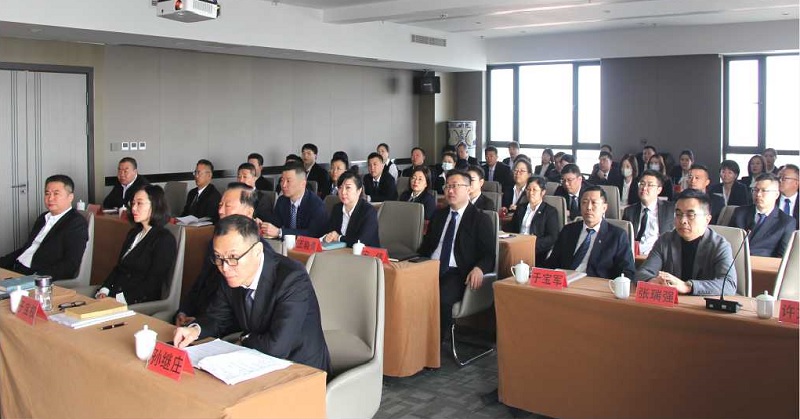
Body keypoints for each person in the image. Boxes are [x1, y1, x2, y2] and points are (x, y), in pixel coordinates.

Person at [173, 215, 331, 374]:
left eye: (233, 257)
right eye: (218, 257)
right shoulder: (230, 271)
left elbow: (277, 347)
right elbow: (217, 318)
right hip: (256, 361)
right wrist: (195, 330)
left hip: (300, 367)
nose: (225, 268)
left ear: (257, 251)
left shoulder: (292, 278)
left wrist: (244, 338)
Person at [417, 170, 495, 338]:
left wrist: (479, 269)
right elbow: (426, 247)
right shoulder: (439, 215)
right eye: (447, 186)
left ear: (468, 189)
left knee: (440, 297)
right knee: (404, 288)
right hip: (429, 267)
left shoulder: (480, 219)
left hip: (457, 273)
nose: (450, 191)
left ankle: (434, 344)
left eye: (455, 186)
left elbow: (489, 255)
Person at [175, 183, 265, 326]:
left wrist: (201, 323)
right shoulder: (216, 242)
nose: (221, 211)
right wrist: (184, 311)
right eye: (220, 205)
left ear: (249, 212)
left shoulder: (256, 252)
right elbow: (201, 280)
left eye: (228, 206)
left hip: (219, 324)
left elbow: (243, 308)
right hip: (199, 317)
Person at [635, 189, 737, 296]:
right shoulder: (665, 240)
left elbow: (729, 285)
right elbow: (642, 273)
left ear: (707, 219)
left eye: (690, 215)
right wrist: (652, 281)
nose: (682, 220)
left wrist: (688, 286)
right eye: (678, 214)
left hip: (700, 304)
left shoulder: (719, 246)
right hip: (670, 302)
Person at [96, 185, 177, 304]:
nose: (133, 208)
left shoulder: (164, 239)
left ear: (155, 205)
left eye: (139, 203)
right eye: (133, 203)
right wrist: (104, 290)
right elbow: (119, 268)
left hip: (136, 302)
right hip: (114, 296)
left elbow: (153, 282)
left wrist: (118, 300)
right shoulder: (133, 233)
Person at [0, 175, 88, 280]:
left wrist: (36, 278)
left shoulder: (76, 223)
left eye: (56, 194)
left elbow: (70, 264)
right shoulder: (43, 217)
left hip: (34, 275)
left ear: (70, 197)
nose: (50, 198)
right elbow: (28, 248)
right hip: (16, 268)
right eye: (47, 193)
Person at [543, 186, 635, 279]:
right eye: (584, 202)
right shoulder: (568, 230)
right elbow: (552, 263)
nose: (588, 207)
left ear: (604, 208)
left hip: (596, 285)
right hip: (566, 282)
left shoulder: (617, 236)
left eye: (594, 203)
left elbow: (627, 271)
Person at [729, 174, 795, 258]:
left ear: (776, 194)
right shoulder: (740, 213)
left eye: (764, 191)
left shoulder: (786, 222)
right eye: (756, 190)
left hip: (763, 265)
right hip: (735, 261)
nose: (758, 194)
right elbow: (728, 241)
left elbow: (783, 256)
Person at [260, 162, 329, 240]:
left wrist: (280, 232)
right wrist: (263, 225)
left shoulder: (316, 205)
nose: (283, 185)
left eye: (288, 181)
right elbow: (276, 224)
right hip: (286, 244)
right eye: (282, 180)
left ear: (303, 184)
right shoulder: (282, 200)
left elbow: (312, 234)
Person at [509, 176, 560, 266]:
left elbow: (552, 237)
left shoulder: (550, 211)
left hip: (537, 250)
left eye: (534, 190)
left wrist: (531, 244)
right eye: (528, 189)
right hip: (516, 247)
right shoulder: (521, 208)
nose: (530, 193)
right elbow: (512, 230)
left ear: (542, 192)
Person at [622, 170, 676, 256]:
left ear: (659, 190)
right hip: (635, 257)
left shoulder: (670, 209)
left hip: (659, 256)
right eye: (642, 184)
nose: (644, 188)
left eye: (650, 185)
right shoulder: (629, 211)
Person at [323, 172, 380, 248]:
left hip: (364, 254)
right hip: (340, 252)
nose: (343, 192)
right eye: (340, 187)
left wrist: (339, 238)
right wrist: (328, 237)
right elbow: (330, 232)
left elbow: (360, 242)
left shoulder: (368, 212)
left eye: (348, 188)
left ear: (359, 191)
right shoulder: (337, 208)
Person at [778, 164, 799, 229]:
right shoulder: (770, 200)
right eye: (779, 178)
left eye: (784, 178)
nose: (779, 180)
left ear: (796, 182)